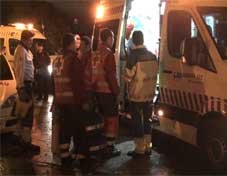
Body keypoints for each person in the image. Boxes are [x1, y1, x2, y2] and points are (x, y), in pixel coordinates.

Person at [53, 33, 88, 169]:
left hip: (60, 100)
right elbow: (77, 83)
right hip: (72, 101)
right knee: (79, 128)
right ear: (70, 44)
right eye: (75, 42)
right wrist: (83, 100)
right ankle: (81, 156)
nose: (76, 45)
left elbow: (53, 82)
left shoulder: (57, 60)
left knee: (64, 129)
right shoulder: (73, 59)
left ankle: (64, 155)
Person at [124, 31, 158, 157]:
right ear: (143, 40)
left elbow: (127, 77)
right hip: (149, 95)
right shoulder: (153, 56)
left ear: (133, 41)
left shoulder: (133, 57)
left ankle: (139, 149)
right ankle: (148, 147)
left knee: (137, 121)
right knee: (148, 120)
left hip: (136, 95)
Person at [92, 28, 121, 157]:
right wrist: (116, 92)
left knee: (102, 119)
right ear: (108, 38)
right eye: (113, 37)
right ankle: (110, 147)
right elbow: (111, 76)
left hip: (96, 92)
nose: (113, 40)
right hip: (107, 92)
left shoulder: (95, 53)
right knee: (111, 119)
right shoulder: (108, 54)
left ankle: (102, 144)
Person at [14, 30, 40, 154]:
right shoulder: (20, 50)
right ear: (24, 39)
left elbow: (28, 69)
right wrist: (21, 87)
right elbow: (19, 70)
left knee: (24, 113)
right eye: (30, 39)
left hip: (28, 85)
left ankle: (19, 139)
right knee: (27, 115)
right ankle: (25, 142)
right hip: (25, 86)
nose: (32, 42)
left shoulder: (26, 51)